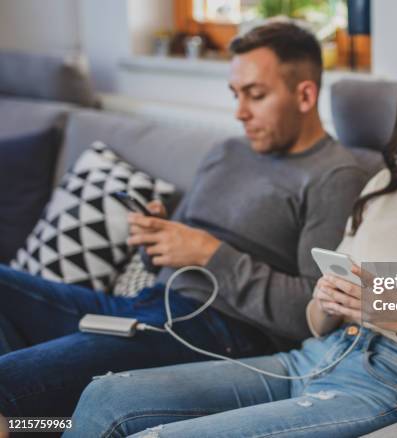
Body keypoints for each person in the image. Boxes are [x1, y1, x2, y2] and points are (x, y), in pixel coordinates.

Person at [68, 46, 397, 437]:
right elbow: (317, 324)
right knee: (105, 396)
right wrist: (327, 300)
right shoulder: (383, 186)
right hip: (312, 356)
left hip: (388, 379)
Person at [0, 22, 370, 418]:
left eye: (256, 95)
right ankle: (41, 425)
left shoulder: (334, 176)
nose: (240, 112)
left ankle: (32, 420)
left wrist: (211, 254)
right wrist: (154, 240)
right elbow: (168, 257)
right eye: (236, 95)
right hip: (143, 307)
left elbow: (314, 310)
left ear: (305, 95)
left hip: (218, 332)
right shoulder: (226, 152)